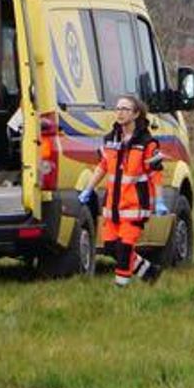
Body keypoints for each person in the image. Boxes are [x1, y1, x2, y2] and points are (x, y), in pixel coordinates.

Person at [77, 95, 166, 287]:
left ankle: (120, 288)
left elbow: (155, 174)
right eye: (117, 108)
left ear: (136, 114)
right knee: (111, 248)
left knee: (125, 248)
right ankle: (149, 272)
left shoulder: (146, 142)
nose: (120, 112)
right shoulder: (110, 139)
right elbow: (103, 166)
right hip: (112, 207)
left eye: (125, 109)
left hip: (134, 206)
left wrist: (159, 200)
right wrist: (88, 189)